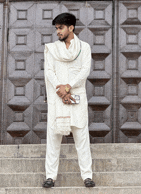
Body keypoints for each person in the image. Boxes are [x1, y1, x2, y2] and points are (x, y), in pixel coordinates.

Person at [42, 12, 95, 188]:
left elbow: (85, 70)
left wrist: (69, 86)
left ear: (71, 28)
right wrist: (60, 88)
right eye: (56, 28)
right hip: (58, 97)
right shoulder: (51, 48)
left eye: (61, 28)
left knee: (81, 136)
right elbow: (49, 71)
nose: (58, 31)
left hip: (76, 96)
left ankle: (87, 176)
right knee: (54, 137)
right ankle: (50, 176)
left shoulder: (84, 48)